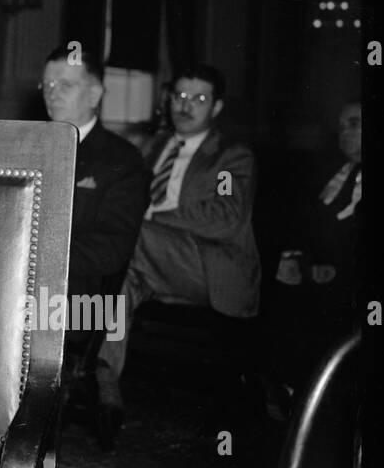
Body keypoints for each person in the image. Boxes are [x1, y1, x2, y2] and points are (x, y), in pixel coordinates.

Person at [94, 63, 261, 444]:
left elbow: (224, 216)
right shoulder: (153, 147)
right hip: (154, 263)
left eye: (199, 99)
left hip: (210, 268)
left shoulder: (230, 159)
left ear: (216, 108)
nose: (186, 106)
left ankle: (79, 347)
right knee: (120, 285)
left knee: (125, 239)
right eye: (180, 96)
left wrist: (151, 214)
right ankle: (104, 376)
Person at [39, 45, 149, 442]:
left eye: (65, 84)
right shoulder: (27, 142)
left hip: (79, 301)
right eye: (48, 83)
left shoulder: (122, 160)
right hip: (20, 287)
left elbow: (111, 251)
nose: (53, 92)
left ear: (96, 93)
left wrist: (34, 259)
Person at [269, 99, 362, 394]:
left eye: (354, 124)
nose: (344, 132)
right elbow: (302, 221)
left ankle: (305, 391)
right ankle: (283, 387)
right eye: (341, 126)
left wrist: (322, 264)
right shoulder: (333, 171)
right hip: (313, 263)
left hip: (352, 276)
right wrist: (298, 256)